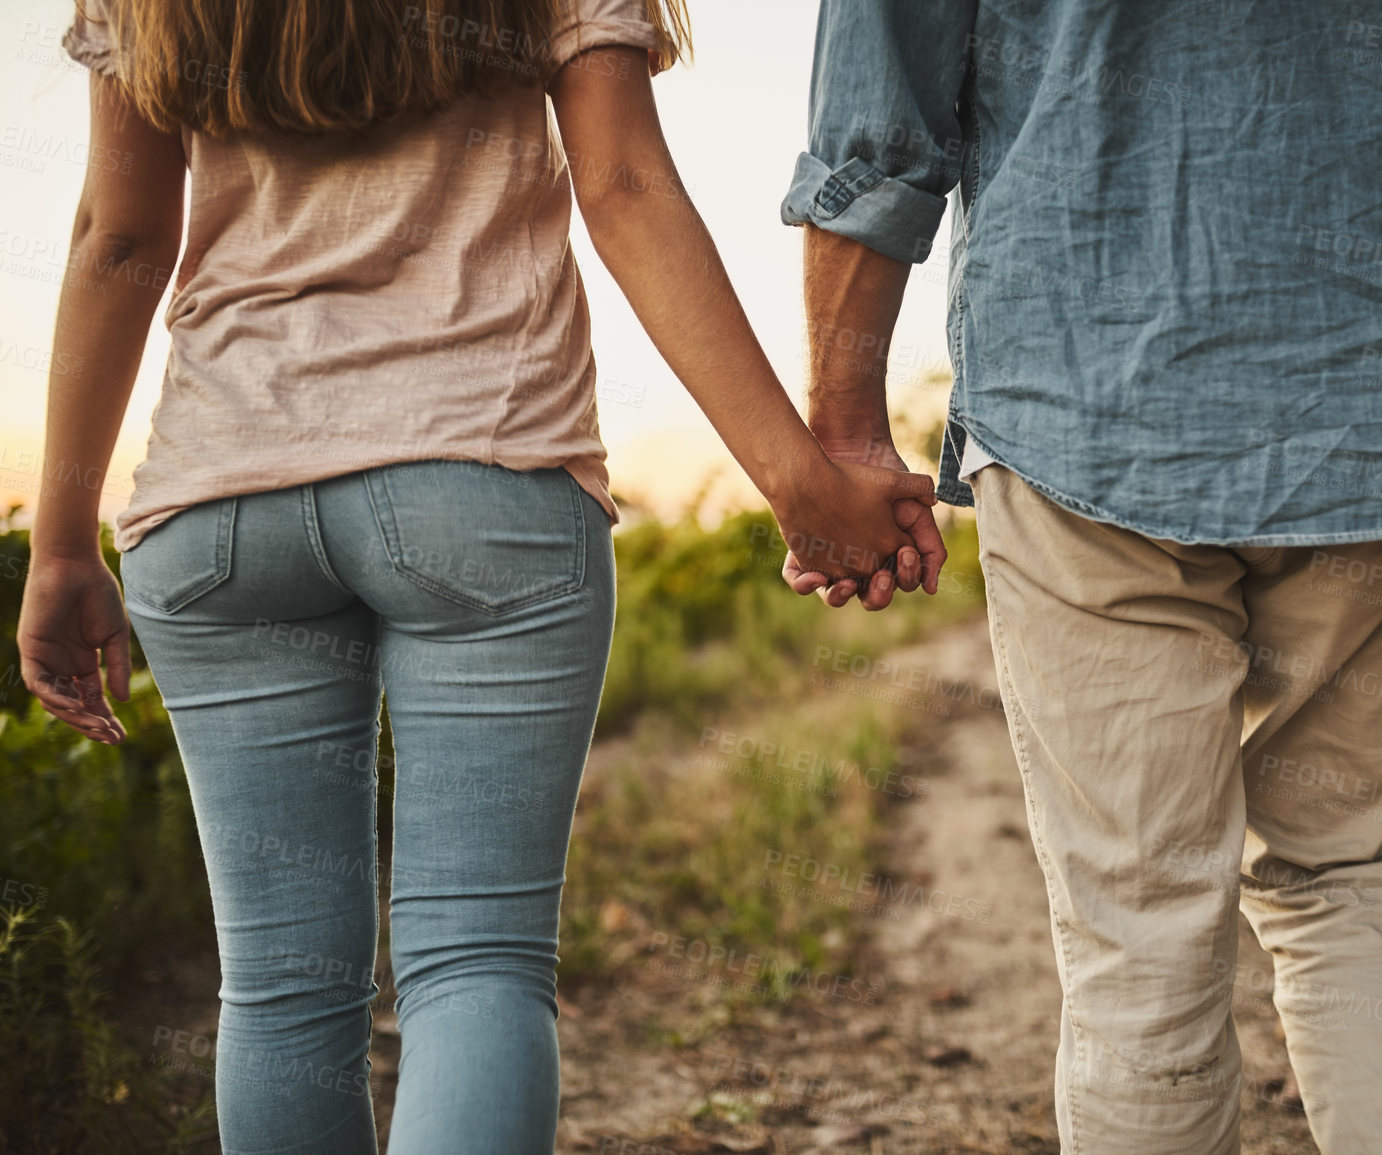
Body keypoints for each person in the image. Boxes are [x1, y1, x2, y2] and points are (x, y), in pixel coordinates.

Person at [16, 1, 943, 1151]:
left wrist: (61, 543)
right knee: (478, 965)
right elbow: (625, 190)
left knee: (280, 987)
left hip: (219, 508)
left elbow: (119, 238)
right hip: (486, 483)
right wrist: (799, 484)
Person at [781, 2, 1382, 1152]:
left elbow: (878, 117)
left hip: (1088, 392)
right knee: (1345, 866)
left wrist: (845, 432)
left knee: (1142, 924)